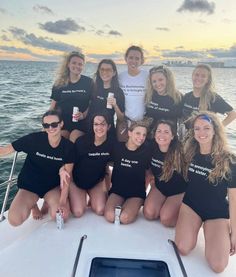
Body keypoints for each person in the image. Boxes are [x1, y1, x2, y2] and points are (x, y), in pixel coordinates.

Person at [175, 112, 236, 273]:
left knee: (218, 266)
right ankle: (197, 226)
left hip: (216, 212)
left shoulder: (229, 160)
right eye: (197, 128)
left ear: (215, 130)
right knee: (182, 247)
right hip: (191, 206)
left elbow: (233, 199)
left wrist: (235, 233)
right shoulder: (189, 153)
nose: (201, 133)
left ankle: (214, 229)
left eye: (206, 128)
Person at [0, 110, 75, 226]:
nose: (50, 128)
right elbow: (5, 150)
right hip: (30, 186)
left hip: (51, 187)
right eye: (46, 125)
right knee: (15, 220)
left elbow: (67, 177)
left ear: (61, 124)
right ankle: (33, 206)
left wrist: (63, 201)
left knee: (62, 216)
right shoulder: (33, 140)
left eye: (54, 124)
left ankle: (47, 201)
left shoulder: (69, 148)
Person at [104, 121, 150, 224]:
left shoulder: (146, 152)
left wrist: (144, 191)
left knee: (124, 218)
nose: (141, 137)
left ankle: (133, 205)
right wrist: (107, 188)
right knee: (110, 216)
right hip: (117, 190)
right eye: (138, 133)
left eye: (144, 135)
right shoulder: (117, 148)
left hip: (136, 193)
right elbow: (106, 165)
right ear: (129, 133)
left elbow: (148, 174)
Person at [69, 111, 113, 217]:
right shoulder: (82, 142)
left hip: (95, 183)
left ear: (109, 126)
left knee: (101, 210)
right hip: (77, 182)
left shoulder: (111, 144)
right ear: (92, 126)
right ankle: (78, 196)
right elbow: (69, 165)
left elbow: (108, 167)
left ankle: (92, 196)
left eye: (103, 124)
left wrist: (108, 191)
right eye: (96, 124)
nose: (99, 127)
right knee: (78, 212)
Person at [143, 120, 187, 227]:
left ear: (172, 136)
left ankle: (183, 209)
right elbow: (148, 171)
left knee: (166, 220)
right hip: (160, 187)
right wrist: (151, 186)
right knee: (149, 214)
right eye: (159, 131)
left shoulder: (181, 152)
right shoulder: (152, 149)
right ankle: (163, 203)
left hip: (178, 191)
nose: (162, 135)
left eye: (166, 132)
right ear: (155, 134)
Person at [50, 51, 94, 142]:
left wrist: (83, 115)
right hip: (62, 122)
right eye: (74, 63)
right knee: (60, 139)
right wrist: (48, 122)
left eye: (80, 64)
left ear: (83, 66)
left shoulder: (89, 82)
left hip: (82, 122)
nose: (77, 66)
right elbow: (53, 106)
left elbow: (92, 103)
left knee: (74, 138)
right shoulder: (59, 83)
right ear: (68, 64)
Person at [89, 59, 125, 136]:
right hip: (91, 126)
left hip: (108, 129)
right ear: (98, 71)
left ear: (114, 73)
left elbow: (121, 118)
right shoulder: (93, 87)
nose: (105, 72)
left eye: (108, 70)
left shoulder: (118, 91)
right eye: (102, 69)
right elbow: (87, 107)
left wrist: (115, 105)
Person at [145, 66, 182, 134]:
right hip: (150, 136)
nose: (157, 84)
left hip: (167, 138)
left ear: (168, 80)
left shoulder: (178, 97)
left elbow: (183, 121)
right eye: (154, 81)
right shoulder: (149, 95)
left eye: (160, 80)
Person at [119, 45, 148, 122]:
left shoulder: (147, 76)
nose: (133, 61)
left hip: (144, 121)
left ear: (141, 60)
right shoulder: (120, 77)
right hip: (126, 120)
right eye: (131, 57)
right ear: (126, 58)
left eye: (137, 58)